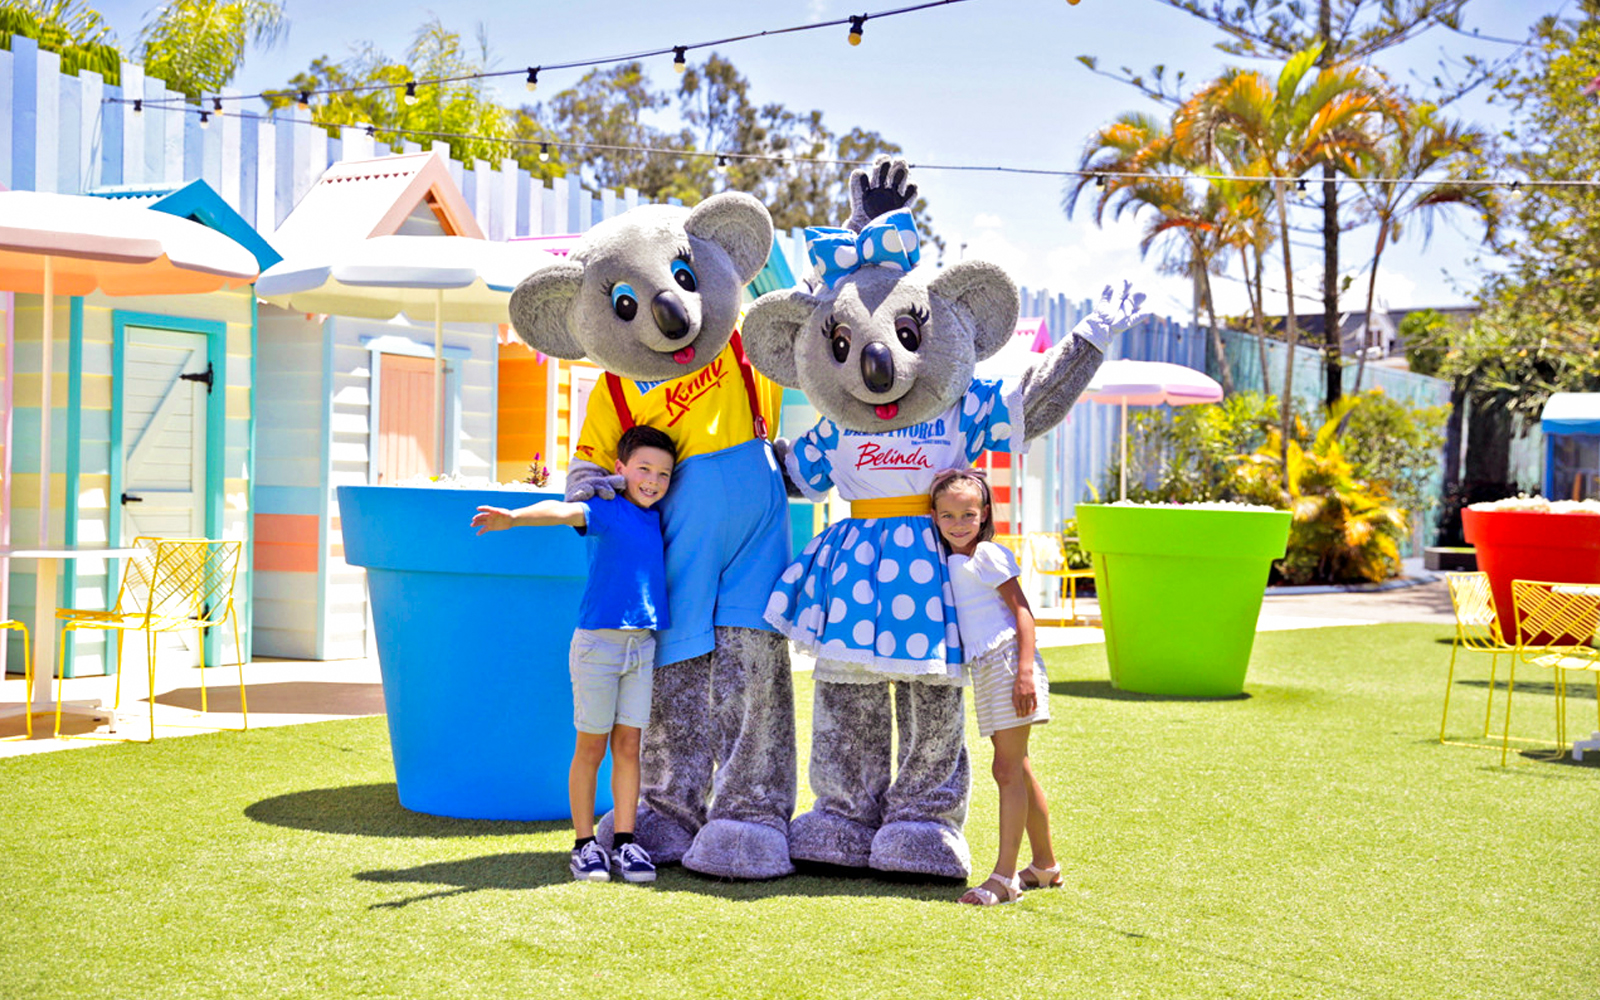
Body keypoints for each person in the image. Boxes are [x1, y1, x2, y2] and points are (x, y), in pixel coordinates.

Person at [471, 425, 676, 884]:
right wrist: (515, 517)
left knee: (629, 746)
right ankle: (585, 845)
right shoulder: (606, 509)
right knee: (592, 747)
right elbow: (562, 511)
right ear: (620, 469)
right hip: (598, 648)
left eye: (663, 473)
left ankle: (624, 842)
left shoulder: (657, 518)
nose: (653, 480)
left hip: (641, 647)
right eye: (644, 469)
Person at [928, 468, 1061, 906]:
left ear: (984, 514)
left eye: (968, 513)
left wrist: (1025, 671)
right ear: (934, 517)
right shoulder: (946, 558)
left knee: (1005, 770)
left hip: (1007, 662)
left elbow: (1023, 613)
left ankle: (1005, 877)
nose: (958, 523)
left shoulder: (988, 554)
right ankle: (1045, 866)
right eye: (947, 515)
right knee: (1016, 767)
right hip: (986, 667)